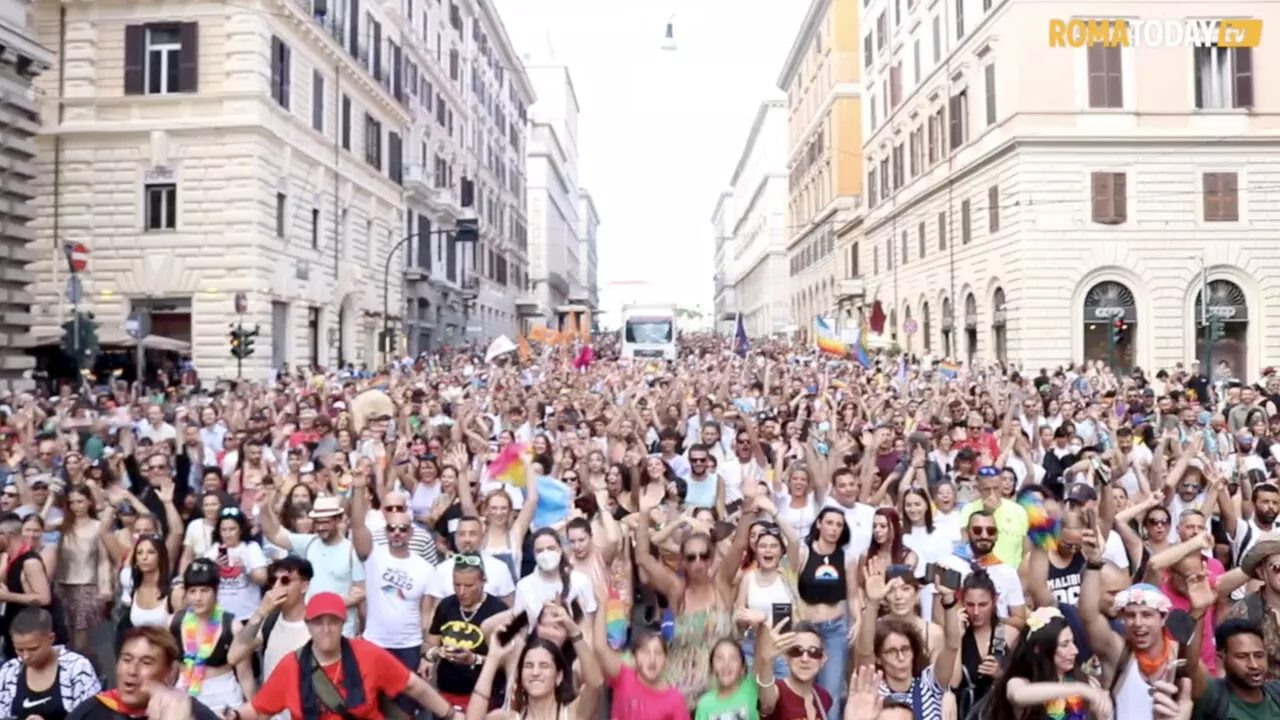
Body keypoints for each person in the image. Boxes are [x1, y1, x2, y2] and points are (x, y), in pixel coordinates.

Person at [233, 592, 462, 720]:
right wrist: (234, 716)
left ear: (342, 623)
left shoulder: (368, 654)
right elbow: (259, 708)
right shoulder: (291, 666)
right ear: (308, 625)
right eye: (318, 622)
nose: (326, 629)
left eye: (332, 621)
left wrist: (452, 715)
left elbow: (414, 686)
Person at [66, 626, 222, 720]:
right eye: (126, 660)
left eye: (146, 662)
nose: (132, 671)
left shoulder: (188, 712)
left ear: (169, 672)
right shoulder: (89, 713)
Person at [0, 608, 99, 720]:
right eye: (19, 650)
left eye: (33, 649)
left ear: (51, 638)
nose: (26, 656)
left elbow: (93, 715)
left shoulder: (78, 668)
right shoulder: (9, 671)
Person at [0, 511, 67, 658]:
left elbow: (44, 598)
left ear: (6, 536)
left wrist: (7, 596)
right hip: (17, 633)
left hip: (35, 639)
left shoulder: (30, 562)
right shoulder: (10, 559)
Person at [1187, 619, 1280, 719]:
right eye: (1242, 656)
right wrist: (1198, 614)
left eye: (1259, 655)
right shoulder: (1212, 694)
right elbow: (1190, 666)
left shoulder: (1276, 692)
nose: (1254, 665)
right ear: (1221, 658)